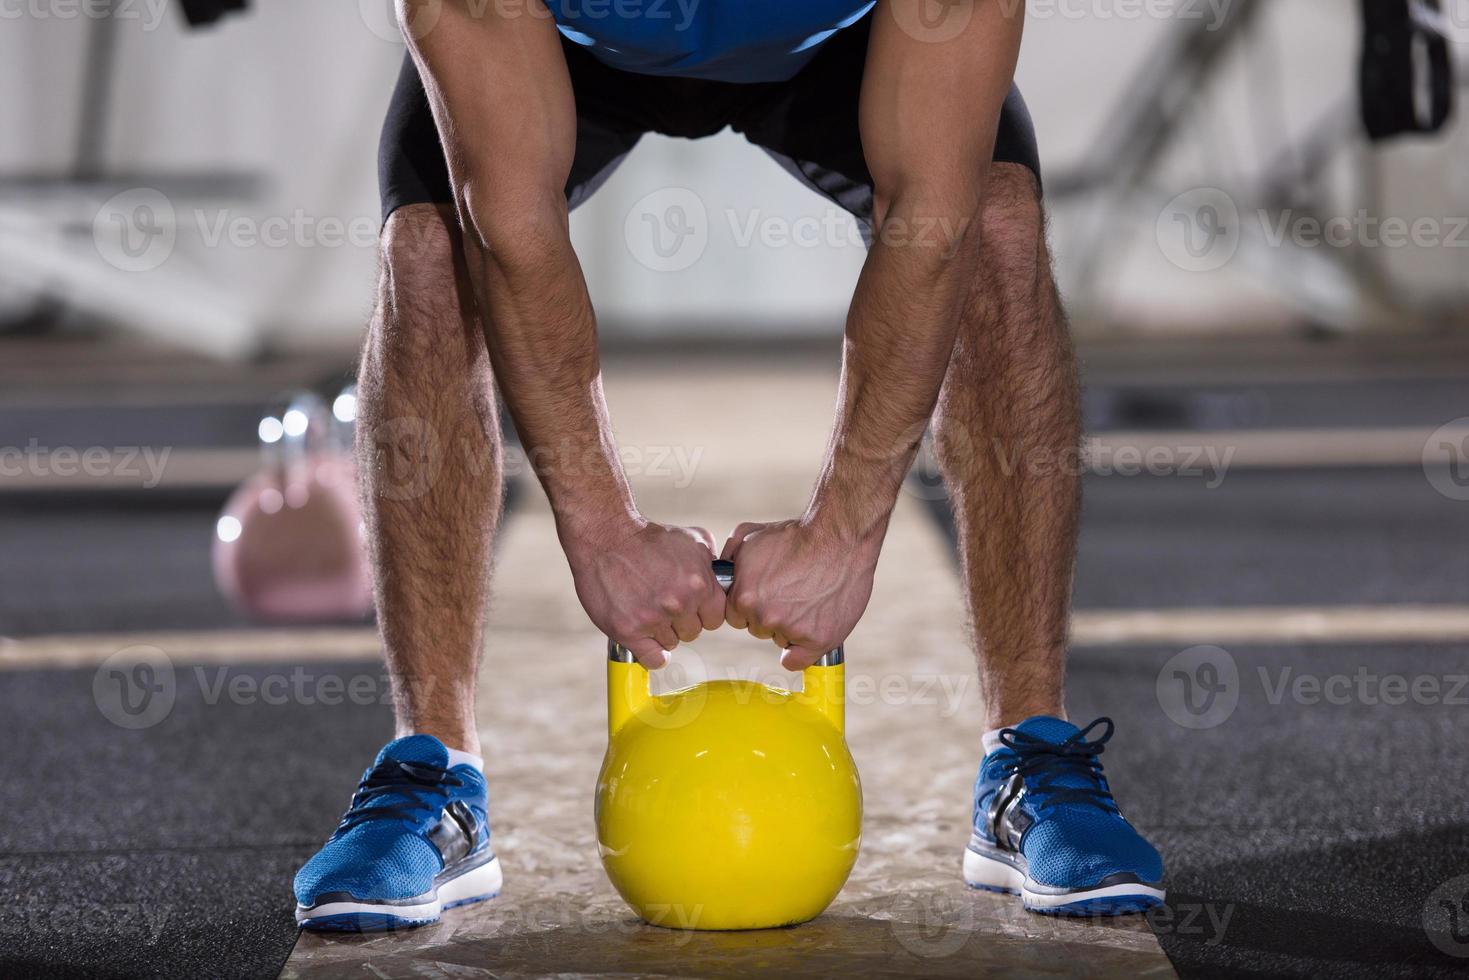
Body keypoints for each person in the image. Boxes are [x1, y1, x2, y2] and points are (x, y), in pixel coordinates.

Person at [292, 0, 1164, 931]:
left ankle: (1029, 755)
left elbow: (930, 222)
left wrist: (844, 530)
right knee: (429, 251)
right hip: (563, 44)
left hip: (836, 42)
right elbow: (507, 226)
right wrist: (599, 529)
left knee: (993, 227)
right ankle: (433, 768)